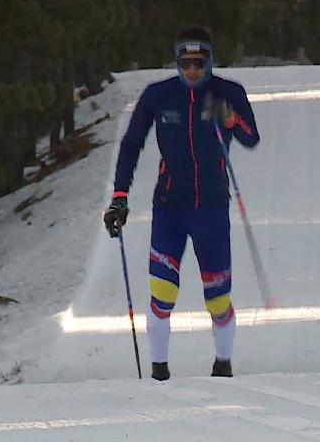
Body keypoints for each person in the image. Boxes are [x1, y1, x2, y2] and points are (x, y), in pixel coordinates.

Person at [102, 25, 260, 381]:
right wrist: (120, 197)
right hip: (170, 208)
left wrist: (230, 119)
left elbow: (252, 138)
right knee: (162, 293)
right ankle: (159, 371)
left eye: (199, 63)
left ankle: (223, 364)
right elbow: (130, 145)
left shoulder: (227, 93)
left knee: (218, 301)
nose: (192, 71)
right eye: (185, 63)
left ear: (210, 61)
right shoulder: (158, 96)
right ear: (176, 62)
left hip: (212, 210)